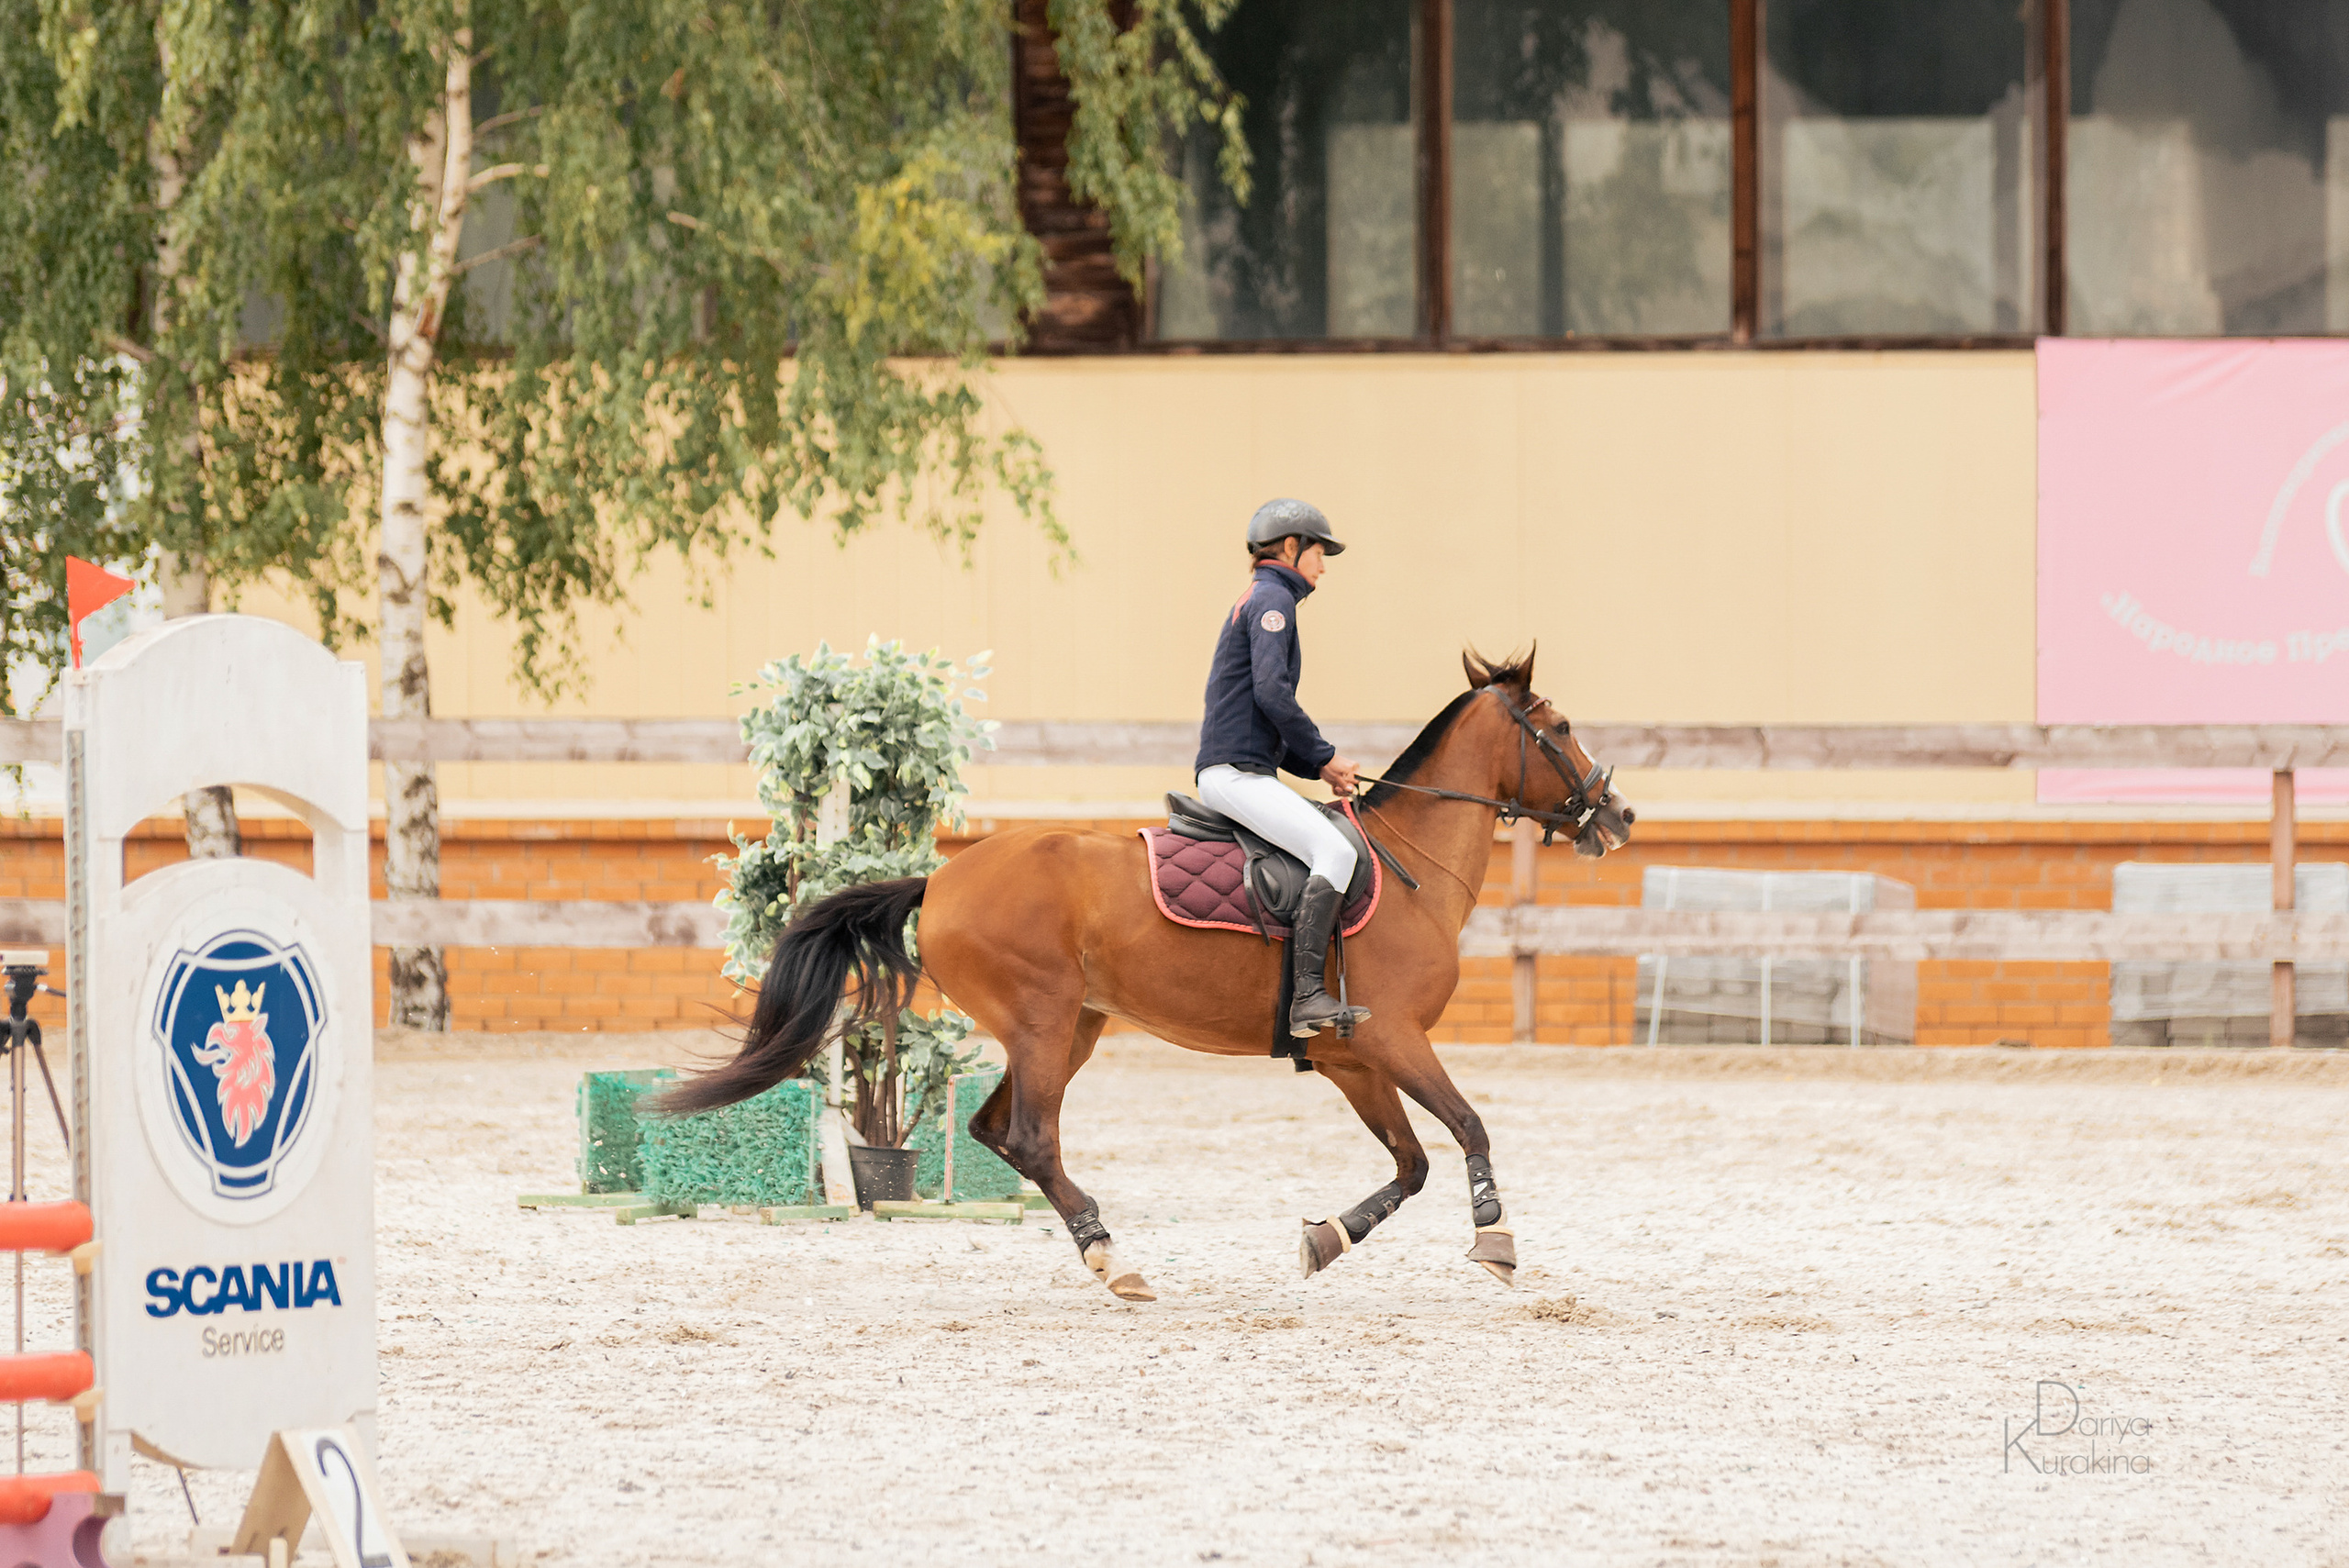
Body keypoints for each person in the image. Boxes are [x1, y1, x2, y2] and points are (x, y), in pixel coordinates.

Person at [1194, 497, 1369, 1036]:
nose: (1322, 566)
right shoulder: (1274, 601)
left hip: (1242, 766)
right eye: (1319, 552)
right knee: (1335, 851)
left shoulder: (1263, 597)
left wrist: (1318, 769)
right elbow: (1273, 694)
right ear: (1292, 547)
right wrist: (1324, 755)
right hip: (1234, 776)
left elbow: (1260, 715)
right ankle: (1308, 998)